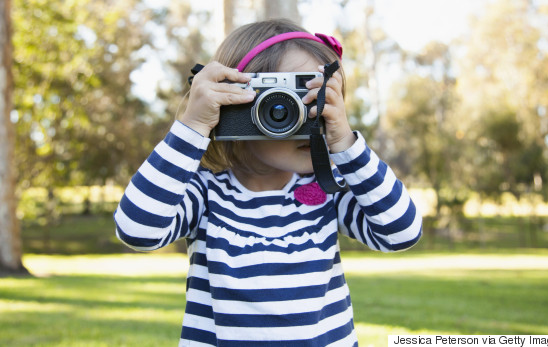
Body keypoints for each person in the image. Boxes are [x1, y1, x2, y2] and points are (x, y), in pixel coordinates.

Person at [114, 18, 422, 346]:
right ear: (233, 99)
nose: (307, 116)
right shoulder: (206, 194)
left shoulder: (327, 189)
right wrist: (193, 125)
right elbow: (137, 230)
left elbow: (401, 233)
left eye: (318, 99)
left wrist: (345, 142)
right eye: (284, 99)